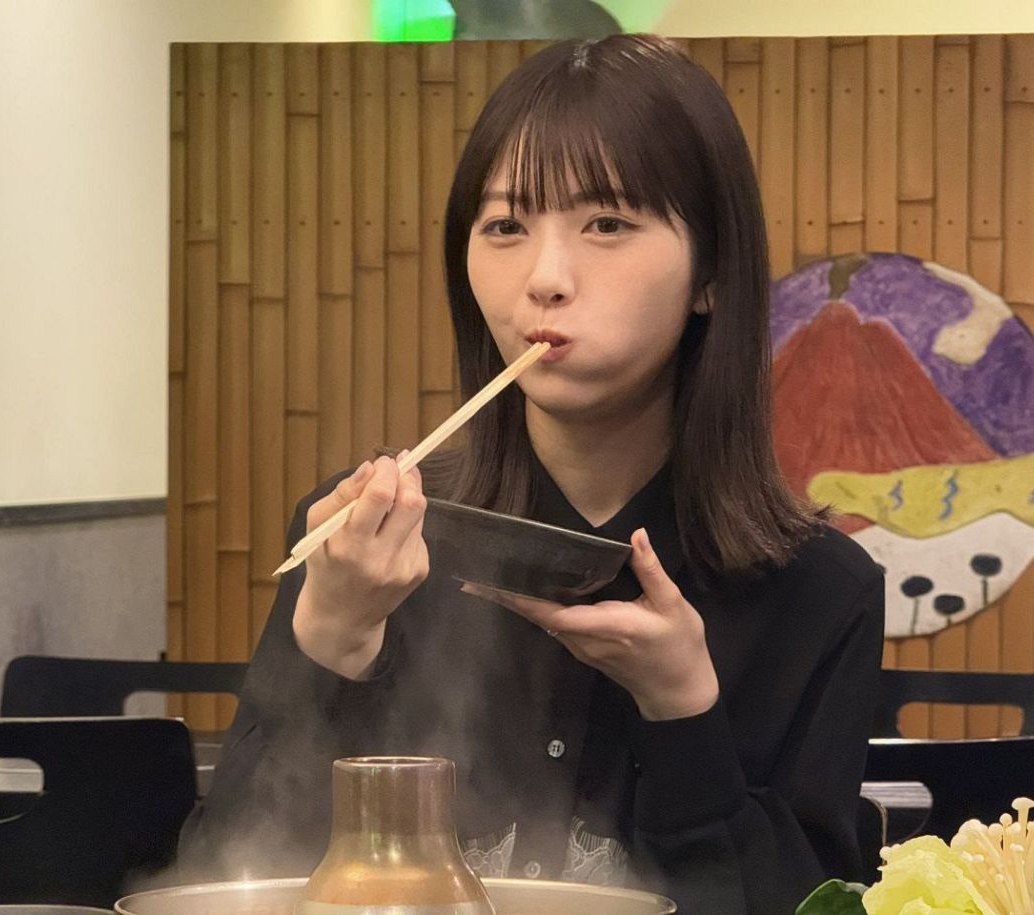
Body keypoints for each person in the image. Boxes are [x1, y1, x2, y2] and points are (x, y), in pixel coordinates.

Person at [177, 34, 885, 914]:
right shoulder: (370, 545)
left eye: (608, 223)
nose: (544, 279)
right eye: (505, 227)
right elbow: (225, 881)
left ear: (710, 272)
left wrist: (682, 711)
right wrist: (326, 636)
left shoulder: (819, 592)